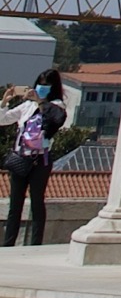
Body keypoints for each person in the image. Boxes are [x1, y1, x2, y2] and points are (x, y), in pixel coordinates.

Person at [4, 72, 68, 248]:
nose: (41, 87)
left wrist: (40, 102)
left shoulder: (56, 106)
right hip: (21, 157)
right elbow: (3, 119)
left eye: (46, 84)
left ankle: (35, 243)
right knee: (15, 204)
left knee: (37, 201)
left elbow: (55, 120)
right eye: (40, 83)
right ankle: (8, 243)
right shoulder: (27, 106)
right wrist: (4, 102)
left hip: (40, 159)